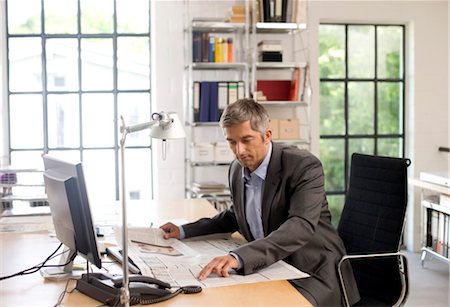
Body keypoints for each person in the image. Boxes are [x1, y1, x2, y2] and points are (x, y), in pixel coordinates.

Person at [161, 98, 360, 306]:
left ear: (267, 136)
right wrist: (183, 231)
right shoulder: (237, 169)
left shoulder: (303, 166)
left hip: (311, 269)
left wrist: (239, 257)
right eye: (231, 142)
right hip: (271, 265)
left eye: (246, 140)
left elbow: (300, 226)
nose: (239, 151)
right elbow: (234, 216)